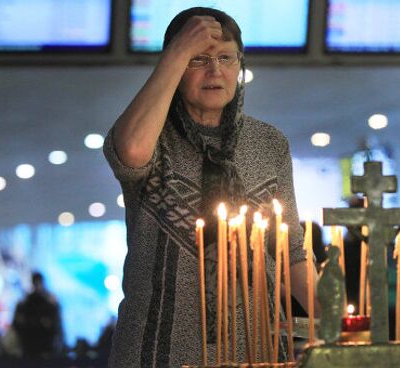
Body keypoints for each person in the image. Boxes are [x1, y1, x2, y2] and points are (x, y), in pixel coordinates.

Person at [103, 7, 313, 366]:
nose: (215, 70)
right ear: (175, 66)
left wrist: (342, 331)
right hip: (158, 349)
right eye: (198, 59)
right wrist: (177, 51)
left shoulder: (268, 143)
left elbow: (291, 250)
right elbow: (131, 152)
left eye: (225, 58)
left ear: (240, 64)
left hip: (255, 348)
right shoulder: (153, 136)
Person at [12, 272, 64, 359]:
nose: (37, 286)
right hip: (30, 347)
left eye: (38, 283)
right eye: (36, 283)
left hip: (46, 346)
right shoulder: (26, 303)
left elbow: (56, 325)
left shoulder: (50, 303)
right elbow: (17, 324)